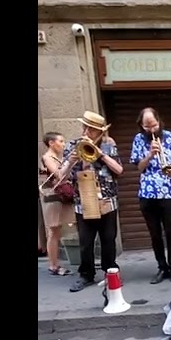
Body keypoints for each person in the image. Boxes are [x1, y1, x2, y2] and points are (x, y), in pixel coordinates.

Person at [64, 111, 124, 292]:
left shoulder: (108, 144)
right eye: (85, 127)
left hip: (107, 200)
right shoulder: (73, 145)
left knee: (108, 239)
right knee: (86, 241)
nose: (86, 132)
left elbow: (119, 170)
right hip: (83, 202)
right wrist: (72, 161)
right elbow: (62, 176)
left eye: (91, 129)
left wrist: (101, 155)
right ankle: (86, 274)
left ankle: (110, 272)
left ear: (100, 131)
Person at [130, 107, 171, 284]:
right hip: (147, 193)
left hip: (168, 192)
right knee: (155, 234)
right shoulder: (138, 139)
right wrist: (150, 154)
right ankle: (162, 267)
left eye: (154, 125)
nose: (151, 130)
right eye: (147, 127)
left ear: (159, 122)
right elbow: (139, 167)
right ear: (141, 125)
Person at [39, 132, 71, 276]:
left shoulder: (58, 157)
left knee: (57, 231)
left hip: (61, 196)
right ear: (51, 143)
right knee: (53, 231)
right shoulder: (47, 157)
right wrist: (70, 162)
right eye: (61, 141)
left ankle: (56, 264)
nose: (63, 144)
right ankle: (53, 265)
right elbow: (58, 175)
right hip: (53, 196)